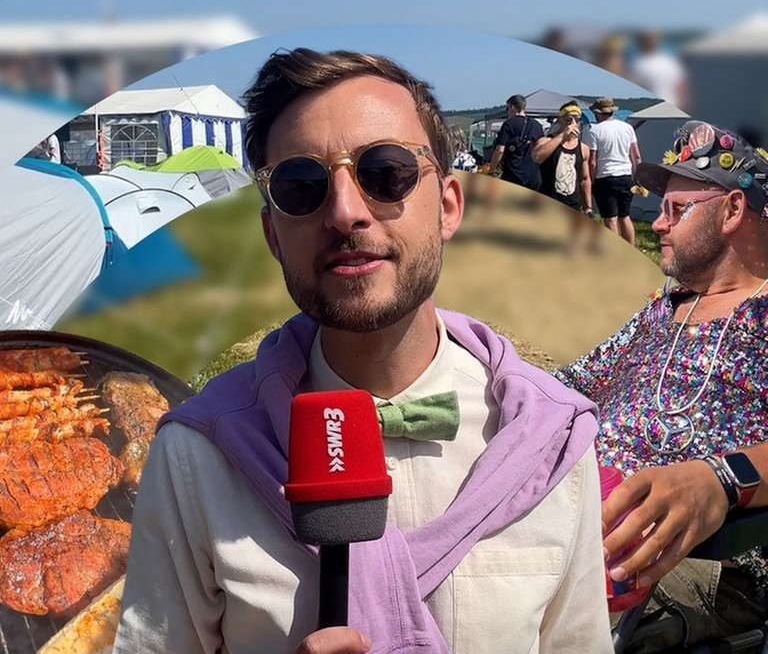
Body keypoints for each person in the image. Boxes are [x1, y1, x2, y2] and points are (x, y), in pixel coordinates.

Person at [113, 48, 613, 654]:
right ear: (273, 233)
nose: (346, 213)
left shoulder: (551, 441)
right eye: (302, 186)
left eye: (385, 172)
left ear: (448, 205)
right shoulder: (197, 455)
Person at [554, 119, 768, 651]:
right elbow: (567, 385)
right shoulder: (664, 308)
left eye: (676, 209)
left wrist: (723, 478)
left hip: (703, 560)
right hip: (584, 524)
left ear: (732, 211)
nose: (662, 225)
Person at [532, 102, 599, 254]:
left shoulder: (583, 148)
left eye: (577, 120)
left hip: (572, 203)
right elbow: (537, 156)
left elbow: (585, 178)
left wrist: (588, 206)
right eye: (569, 119)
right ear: (560, 120)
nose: (573, 124)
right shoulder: (547, 141)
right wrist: (562, 136)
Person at [587, 96, 642, 246]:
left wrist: (591, 181)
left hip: (605, 177)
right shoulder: (627, 128)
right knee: (625, 216)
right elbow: (636, 156)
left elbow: (592, 161)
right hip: (625, 176)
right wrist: (637, 178)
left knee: (610, 218)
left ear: (598, 113)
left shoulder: (595, 131)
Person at [487, 94, 545, 191]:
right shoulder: (536, 125)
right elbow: (542, 148)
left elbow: (500, 150)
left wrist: (491, 170)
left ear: (513, 107)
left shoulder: (508, 124)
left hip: (514, 176)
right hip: (533, 177)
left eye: (507, 108)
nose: (507, 111)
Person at [628, 30, 688, 110]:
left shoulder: (639, 64)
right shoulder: (670, 61)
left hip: (651, 108)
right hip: (671, 106)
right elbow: (680, 86)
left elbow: (634, 89)